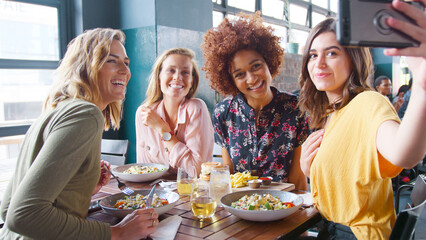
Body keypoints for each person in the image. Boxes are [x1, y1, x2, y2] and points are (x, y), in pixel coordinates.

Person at [0, 28, 158, 240]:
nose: (125, 70)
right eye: (112, 61)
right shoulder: (86, 114)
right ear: (86, 67)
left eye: (126, 63)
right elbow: (22, 215)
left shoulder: (56, 111)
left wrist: (82, 189)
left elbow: (7, 208)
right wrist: (117, 233)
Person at [298, 0, 426, 238]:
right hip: (331, 230)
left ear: (353, 59)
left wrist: (422, 83)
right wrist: (310, 169)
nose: (319, 63)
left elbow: (405, 154)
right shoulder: (333, 114)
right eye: (313, 55)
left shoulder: (368, 102)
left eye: (332, 53)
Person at [201, 12, 310, 190]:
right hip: (240, 206)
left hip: (284, 207)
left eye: (256, 66)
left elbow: (298, 178)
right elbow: (227, 176)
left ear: (268, 63)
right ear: (231, 80)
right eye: (240, 74)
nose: (251, 79)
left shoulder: (296, 109)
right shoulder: (223, 113)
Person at [135, 48, 214, 178]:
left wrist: (162, 129)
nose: (178, 77)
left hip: (192, 194)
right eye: (171, 70)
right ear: (159, 78)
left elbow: (197, 171)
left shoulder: (196, 108)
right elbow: (143, 171)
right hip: (156, 194)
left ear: (192, 81)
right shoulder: (143, 113)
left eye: (185, 72)